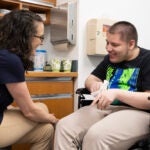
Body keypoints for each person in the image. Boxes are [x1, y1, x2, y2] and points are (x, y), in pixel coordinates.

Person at [54, 21, 150, 150]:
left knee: (96, 136)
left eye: (114, 44)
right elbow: (90, 79)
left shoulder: (147, 59)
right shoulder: (110, 58)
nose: (108, 48)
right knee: (64, 126)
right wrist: (93, 84)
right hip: (106, 107)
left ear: (131, 44)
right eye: (107, 42)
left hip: (139, 112)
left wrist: (116, 93)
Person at [0, 10, 58, 149]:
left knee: (45, 131)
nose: (41, 42)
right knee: (42, 110)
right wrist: (55, 120)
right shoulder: (10, 60)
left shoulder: (4, 55)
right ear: (27, 36)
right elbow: (29, 111)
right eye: (41, 37)